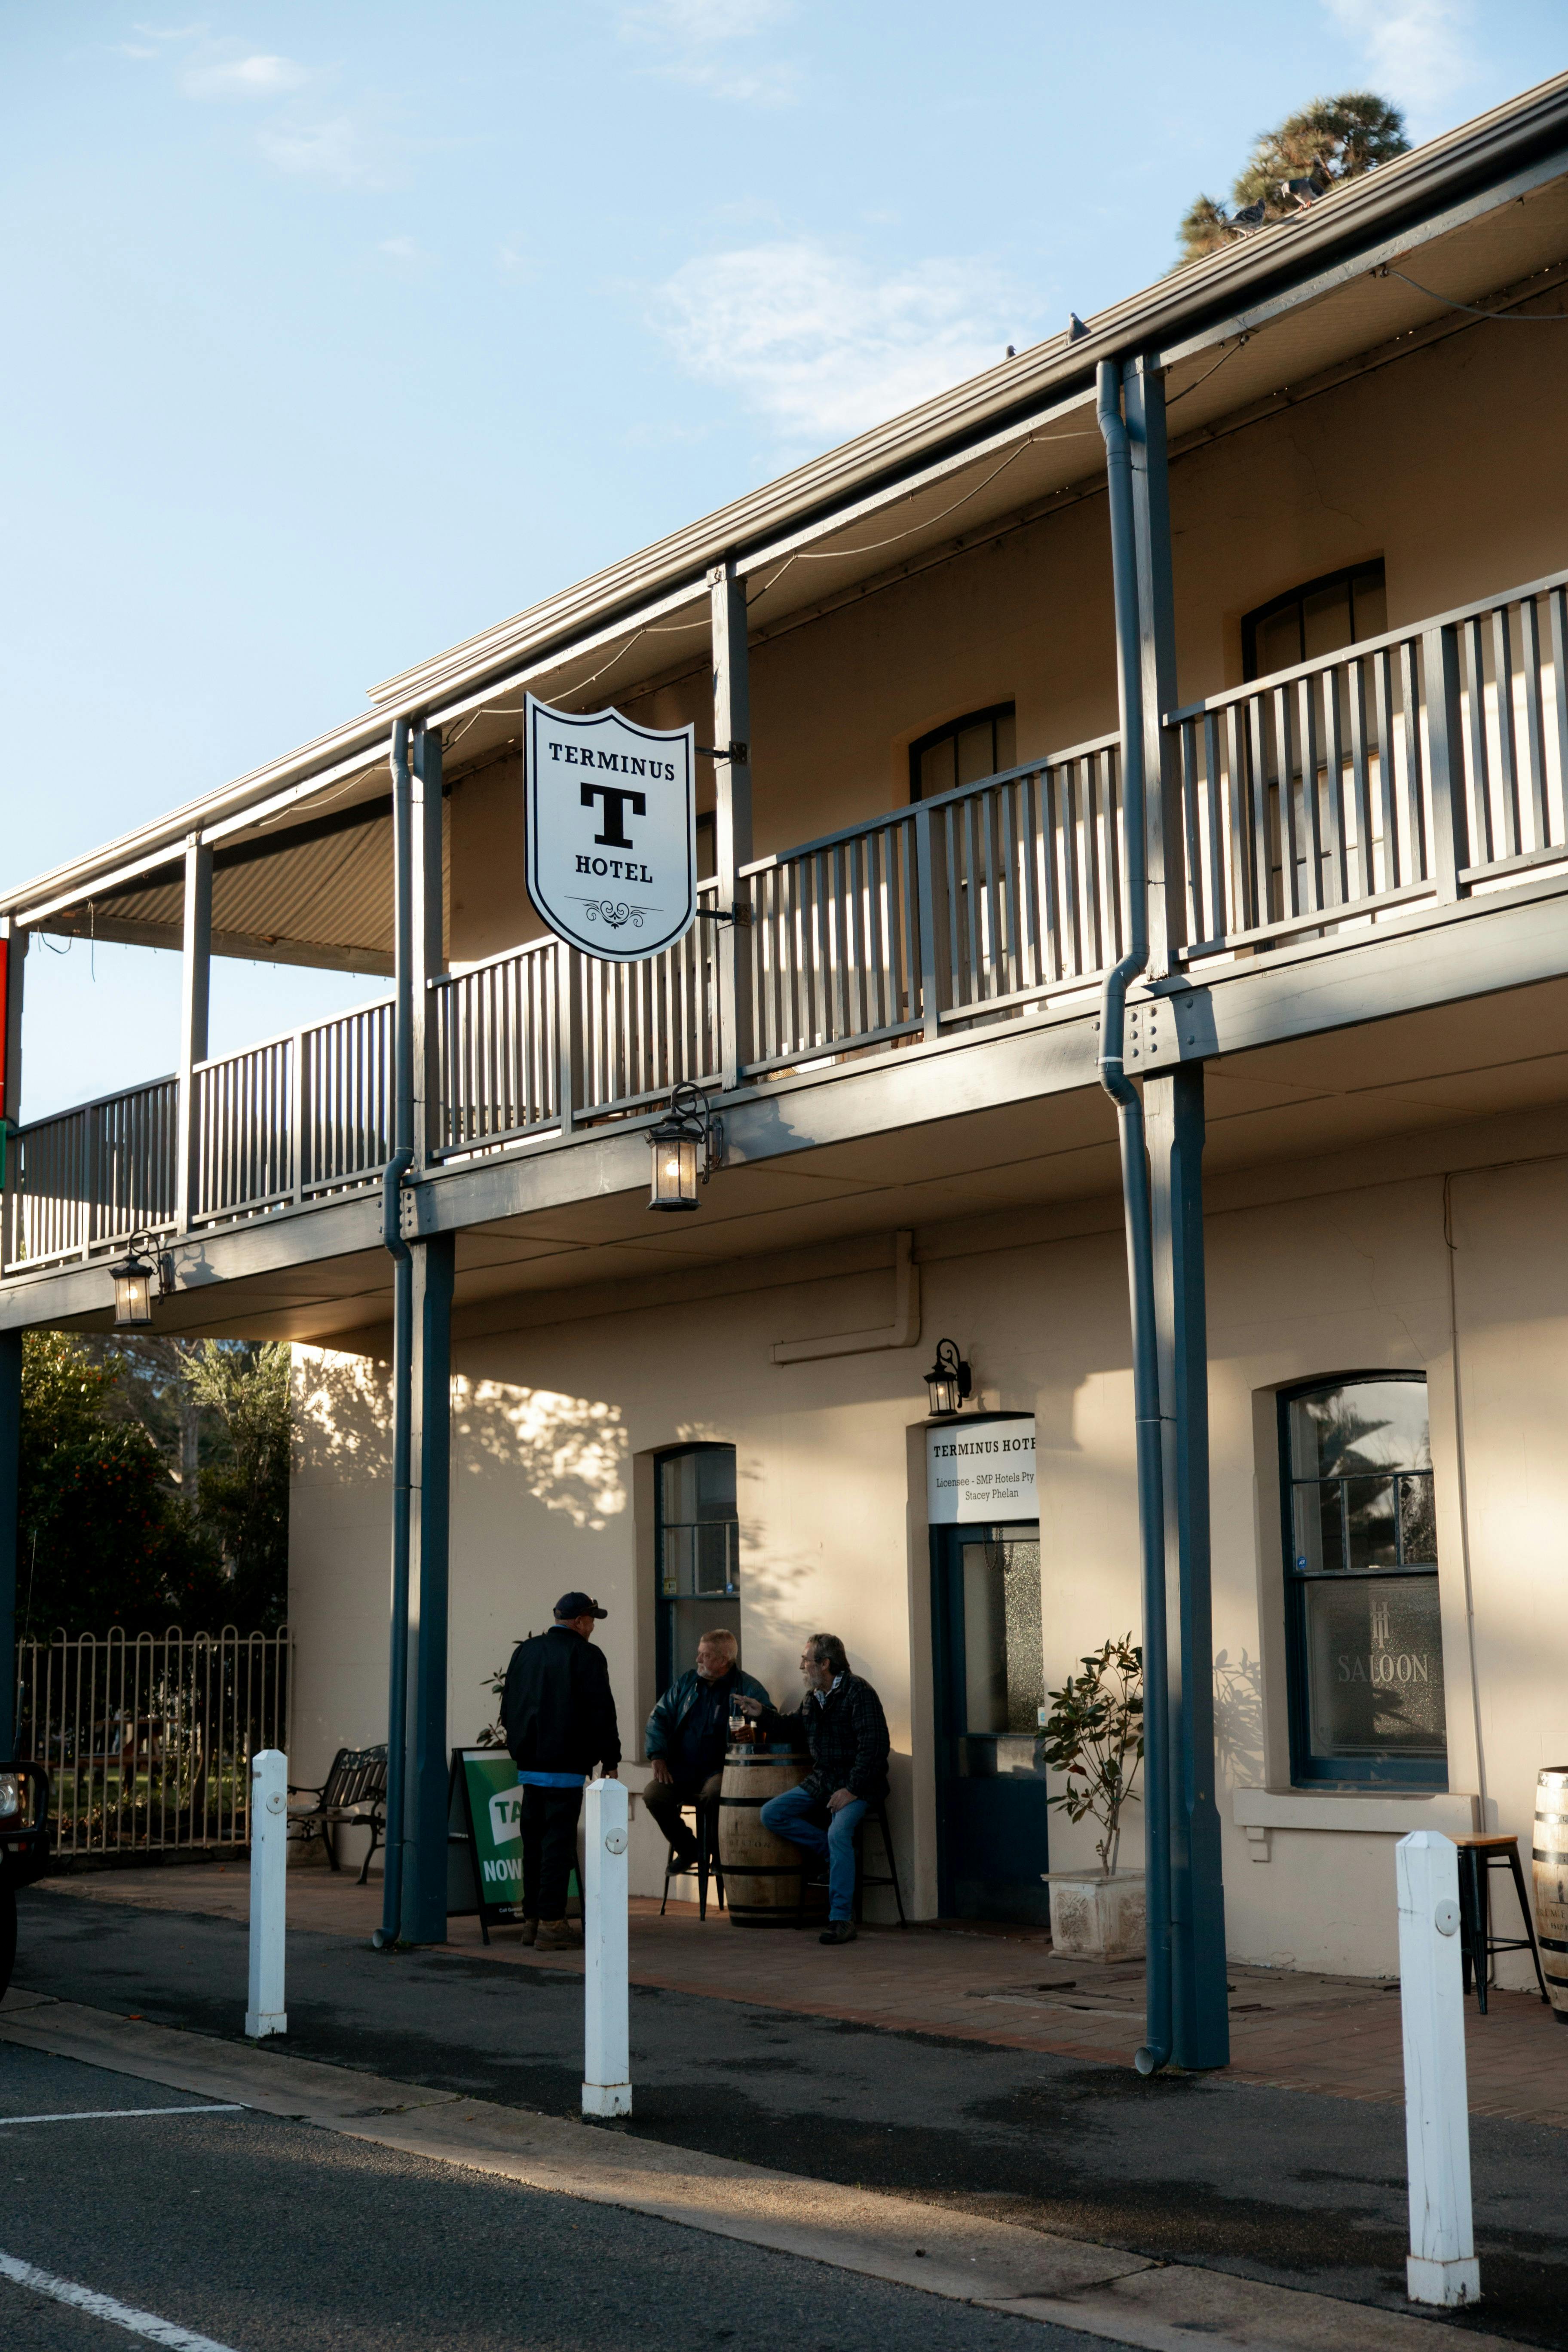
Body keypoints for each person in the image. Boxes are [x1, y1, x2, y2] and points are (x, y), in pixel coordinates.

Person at [737, 1633, 890, 1946]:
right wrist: (760, 1714)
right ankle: (832, 1855)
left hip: (860, 1786)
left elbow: (875, 1748)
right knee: (773, 1814)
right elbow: (792, 1727)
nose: (801, 1667)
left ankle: (841, 1919)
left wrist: (852, 1789)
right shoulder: (814, 1698)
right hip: (824, 1782)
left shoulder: (858, 1692)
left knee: (838, 1833)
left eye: (806, 1661)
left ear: (825, 1663)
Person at [500, 1590, 620, 1950]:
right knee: (557, 1844)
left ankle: (532, 1921)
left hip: (530, 1766)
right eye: (592, 1621)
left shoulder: (526, 1651)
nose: (593, 1628)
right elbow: (601, 1711)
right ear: (581, 1621)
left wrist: (520, 1748)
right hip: (566, 1766)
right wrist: (610, 1759)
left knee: (533, 1843)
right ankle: (553, 1923)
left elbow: (510, 1706)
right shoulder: (586, 1654)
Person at [643, 1629, 771, 1877]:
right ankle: (690, 1849)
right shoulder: (687, 1682)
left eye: (705, 1655)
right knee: (653, 1794)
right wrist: (657, 1756)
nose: (698, 1660)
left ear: (724, 1660)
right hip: (683, 1768)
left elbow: (770, 1720)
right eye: (699, 1654)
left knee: (715, 1792)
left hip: (722, 1770)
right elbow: (659, 1717)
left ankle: (718, 1854)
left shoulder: (748, 1687)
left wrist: (754, 1731)